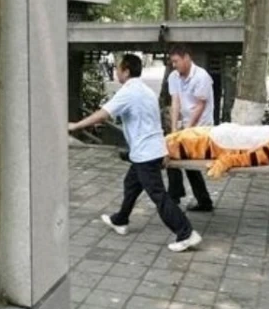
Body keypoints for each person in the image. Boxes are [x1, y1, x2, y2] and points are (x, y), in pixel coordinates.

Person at [68, 54, 202, 252]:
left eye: (118, 68)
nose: (116, 71)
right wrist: (163, 150)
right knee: (131, 183)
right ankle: (120, 220)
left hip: (146, 154)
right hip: (152, 149)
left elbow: (103, 114)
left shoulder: (128, 92)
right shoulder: (146, 91)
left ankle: (186, 233)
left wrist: (77, 125)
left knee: (158, 196)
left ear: (126, 71)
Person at [166, 44, 215, 212]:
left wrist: (185, 132)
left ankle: (174, 196)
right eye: (172, 62)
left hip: (202, 128)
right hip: (185, 125)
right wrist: (174, 130)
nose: (174, 65)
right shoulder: (174, 76)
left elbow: (200, 106)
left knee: (175, 155)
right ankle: (203, 200)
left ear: (187, 57)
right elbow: (176, 102)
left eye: (176, 61)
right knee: (175, 153)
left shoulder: (202, 77)